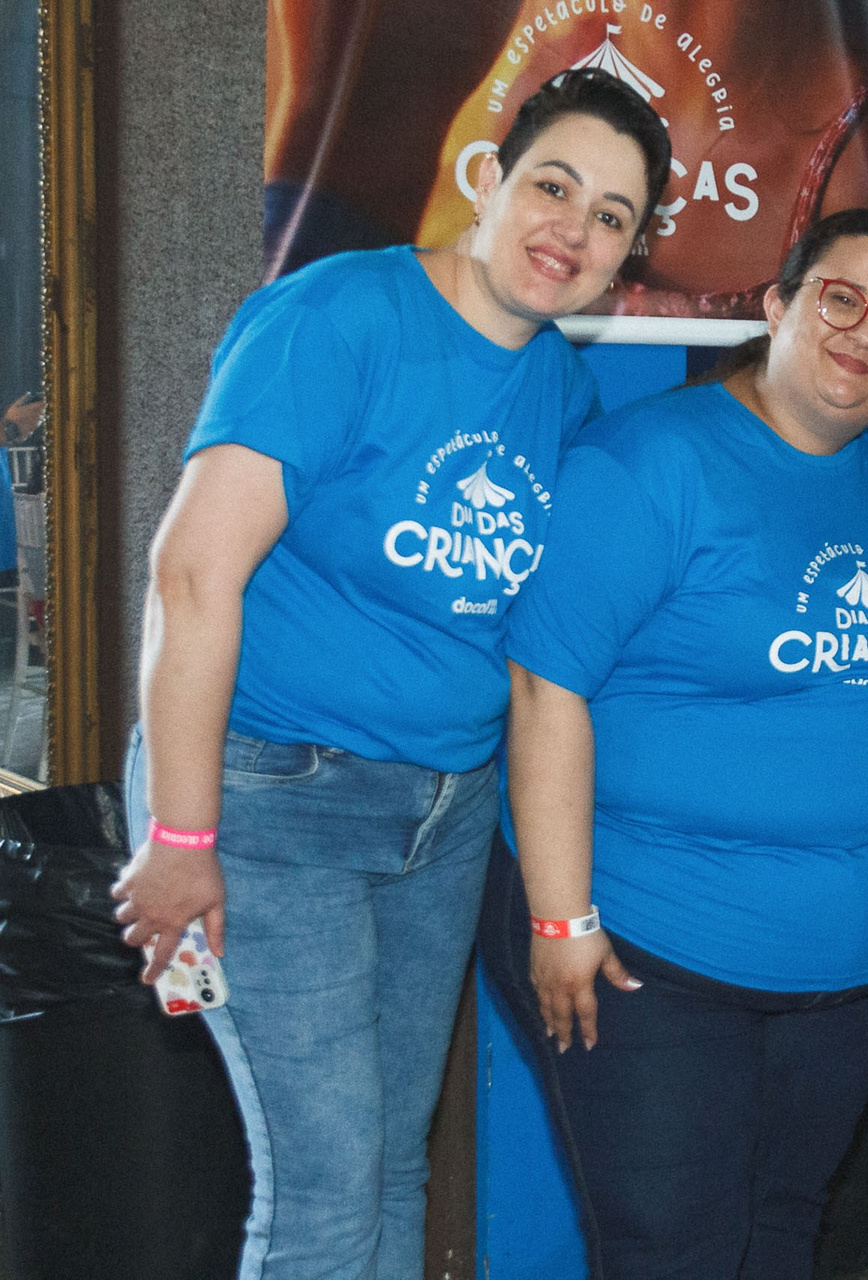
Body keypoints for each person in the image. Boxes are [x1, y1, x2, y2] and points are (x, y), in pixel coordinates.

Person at [110, 69, 671, 1279]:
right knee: (323, 1188)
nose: (572, 229)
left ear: (627, 260)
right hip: (272, 800)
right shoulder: (338, 316)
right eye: (554, 185)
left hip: (444, 813)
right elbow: (192, 573)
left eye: (611, 216)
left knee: (393, 1160)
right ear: (488, 177)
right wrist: (180, 836)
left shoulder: (559, 386)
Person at [482, 207, 868, 1278]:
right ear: (779, 305)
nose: (865, 334)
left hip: (857, 968)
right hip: (655, 949)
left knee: (784, 1226)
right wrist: (560, 917)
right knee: (677, 1251)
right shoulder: (650, 461)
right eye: (842, 299)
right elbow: (544, 685)